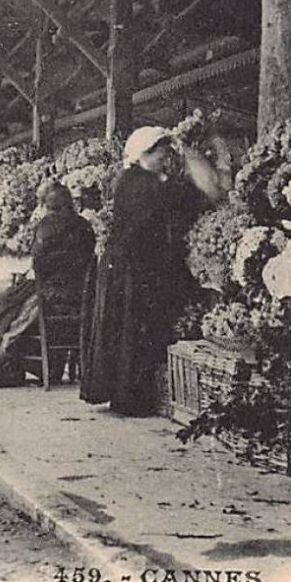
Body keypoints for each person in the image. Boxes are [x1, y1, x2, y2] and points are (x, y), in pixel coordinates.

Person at [81, 125, 225, 416]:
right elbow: (204, 193)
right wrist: (200, 158)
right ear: (145, 153)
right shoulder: (142, 184)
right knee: (132, 329)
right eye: (161, 151)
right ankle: (130, 398)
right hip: (133, 267)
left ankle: (125, 395)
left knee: (126, 330)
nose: (165, 157)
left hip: (127, 264)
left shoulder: (134, 179)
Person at [0, 182, 96, 388]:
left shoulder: (47, 226)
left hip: (50, 294)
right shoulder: (85, 226)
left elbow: (39, 263)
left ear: (48, 206)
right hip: (80, 296)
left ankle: (4, 357)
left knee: (6, 308)